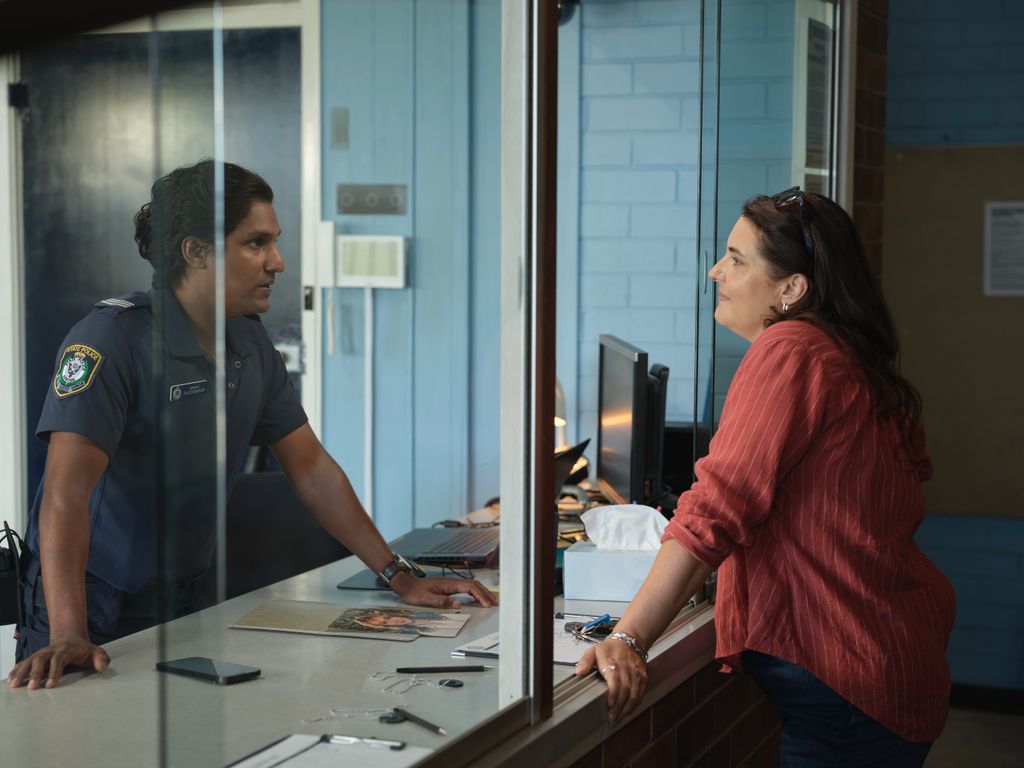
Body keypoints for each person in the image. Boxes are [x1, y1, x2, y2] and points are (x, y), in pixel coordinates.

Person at [7, 160, 496, 691]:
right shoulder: (111, 339)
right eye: (255, 243)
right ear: (196, 252)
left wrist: (398, 575)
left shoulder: (248, 343)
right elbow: (64, 495)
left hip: (188, 602)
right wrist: (67, 632)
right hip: (86, 610)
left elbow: (312, 471)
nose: (277, 262)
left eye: (274, 242)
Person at [576, 188, 956, 767]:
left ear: (792, 288)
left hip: (850, 681)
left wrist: (628, 638)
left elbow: (715, 510)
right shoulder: (843, 352)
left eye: (736, 258)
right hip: (888, 660)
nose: (715, 271)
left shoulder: (792, 351)